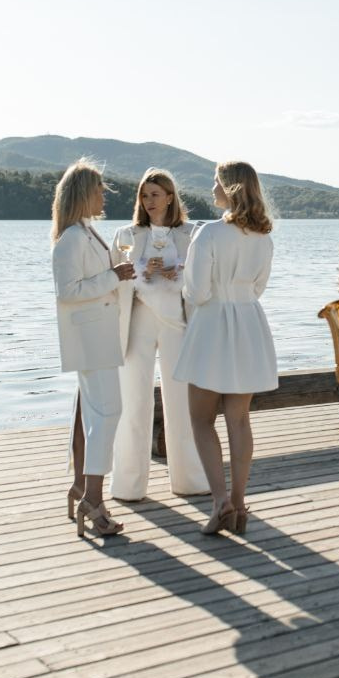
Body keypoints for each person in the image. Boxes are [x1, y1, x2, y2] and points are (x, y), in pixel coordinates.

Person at [174, 160, 277, 536]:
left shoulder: (209, 233)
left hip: (213, 326)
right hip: (248, 323)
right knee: (239, 418)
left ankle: (220, 502)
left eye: (216, 182)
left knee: (201, 419)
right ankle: (239, 502)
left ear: (230, 187)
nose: (212, 188)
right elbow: (258, 288)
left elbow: (197, 292)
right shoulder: (263, 237)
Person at [109, 168, 208, 502]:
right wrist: (140, 271)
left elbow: (203, 278)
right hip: (137, 321)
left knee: (181, 401)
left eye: (155, 194)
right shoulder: (126, 234)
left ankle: (190, 480)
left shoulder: (193, 234)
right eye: (144, 195)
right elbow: (113, 279)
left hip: (177, 322)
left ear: (169, 197)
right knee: (133, 402)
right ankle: (128, 485)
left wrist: (178, 272)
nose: (148, 201)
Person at [51, 160, 135, 537]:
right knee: (108, 414)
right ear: (83, 193)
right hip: (89, 340)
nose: (104, 195)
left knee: (96, 415)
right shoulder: (71, 238)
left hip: (101, 336)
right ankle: (93, 499)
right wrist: (112, 276)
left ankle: (82, 488)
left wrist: (122, 274)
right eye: (99, 189)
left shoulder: (87, 232)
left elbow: (99, 279)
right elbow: (67, 292)